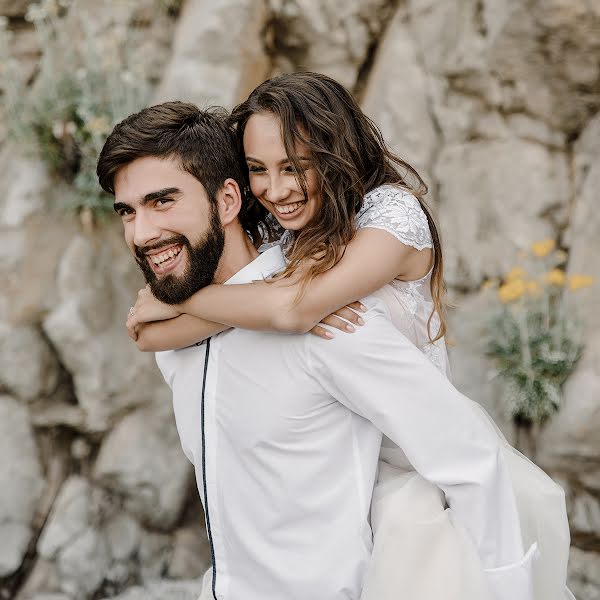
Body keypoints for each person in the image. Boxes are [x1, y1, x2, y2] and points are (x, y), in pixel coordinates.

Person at [123, 74, 573, 599]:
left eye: (294, 166)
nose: (276, 189)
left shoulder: (390, 221)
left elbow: (291, 312)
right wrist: (166, 321)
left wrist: (177, 298)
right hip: (340, 477)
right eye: (258, 171)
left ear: (334, 154)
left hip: (416, 475)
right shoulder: (282, 242)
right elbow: (242, 312)